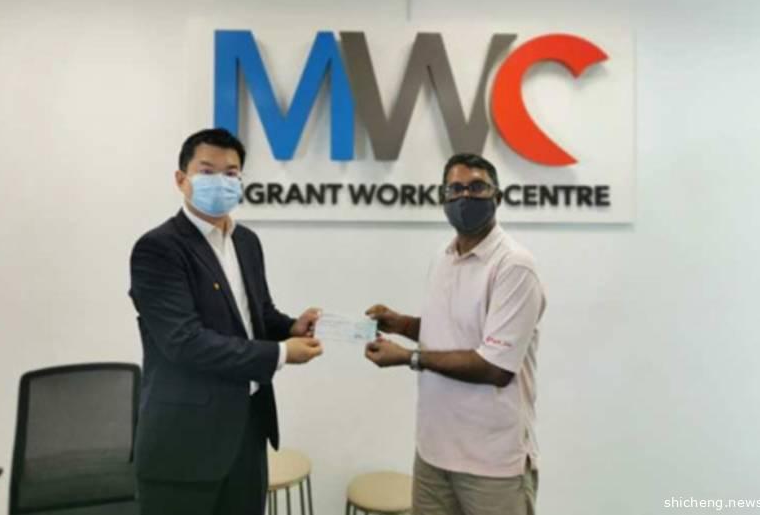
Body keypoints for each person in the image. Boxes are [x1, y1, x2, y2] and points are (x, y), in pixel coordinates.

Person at [129, 128, 323, 515]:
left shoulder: (245, 241)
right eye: (207, 171)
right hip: (184, 444)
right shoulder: (158, 248)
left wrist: (290, 327)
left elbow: (256, 313)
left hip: (247, 430)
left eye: (231, 173)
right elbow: (185, 342)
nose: (221, 181)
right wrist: (281, 353)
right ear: (181, 179)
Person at [365, 153, 546, 515]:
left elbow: (496, 366)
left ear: (497, 196)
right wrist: (401, 324)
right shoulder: (443, 258)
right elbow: (450, 332)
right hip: (432, 454)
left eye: (477, 187)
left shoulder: (514, 265)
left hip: (492, 463)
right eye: (456, 189)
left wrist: (409, 357)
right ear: (443, 198)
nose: (465, 196)